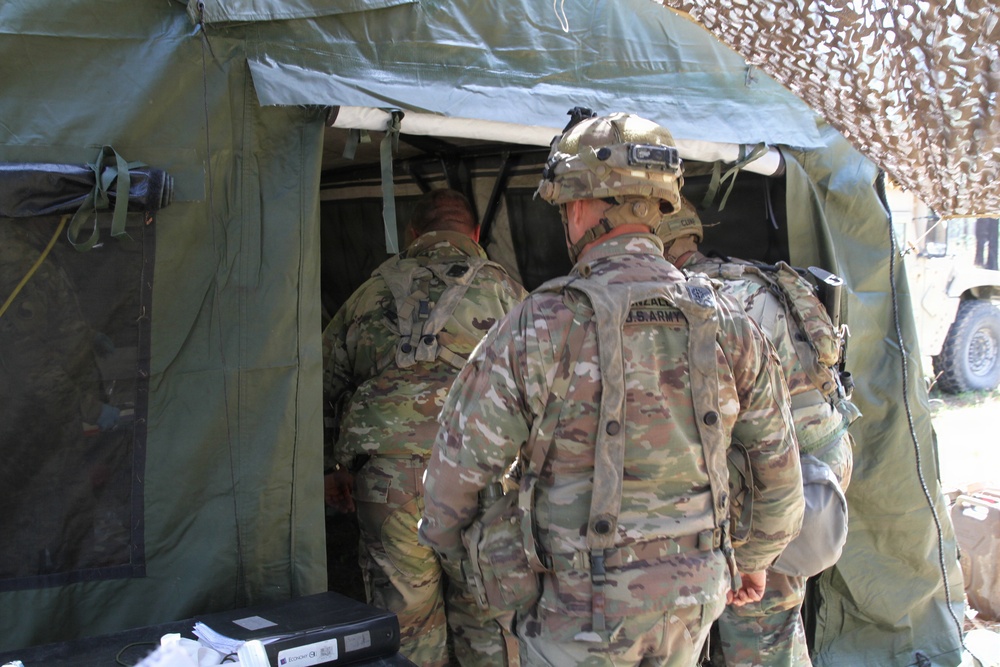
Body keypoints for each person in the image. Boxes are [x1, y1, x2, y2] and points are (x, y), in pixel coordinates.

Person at [418, 112, 804, 666]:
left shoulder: (539, 323)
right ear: (662, 205)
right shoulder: (730, 323)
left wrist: (463, 556)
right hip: (691, 598)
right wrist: (755, 558)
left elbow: (457, 469)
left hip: (574, 608)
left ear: (578, 206)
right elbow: (779, 475)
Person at [322, 188, 527, 667]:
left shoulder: (369, 291)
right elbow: (543, 389)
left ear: (414, 233)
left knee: (403, 623)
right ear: (475, 235)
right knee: (487, 613)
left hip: (386, 478)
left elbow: (319, 382)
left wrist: (329, 467)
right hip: (479, 477)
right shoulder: (505, 290)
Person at [657, 197, 860, 667]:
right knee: (777, 618)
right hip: (823, 463)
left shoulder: (700, 301)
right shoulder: (756, 278)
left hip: (778, 482)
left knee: (760, 635)